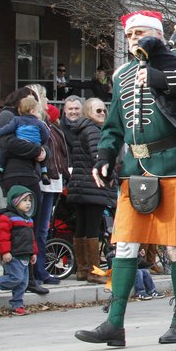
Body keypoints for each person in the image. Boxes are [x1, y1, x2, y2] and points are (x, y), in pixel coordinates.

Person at [75, 10, 176, 348]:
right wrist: (105, 157)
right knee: (124, 244)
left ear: (156, 35)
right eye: (130, 33)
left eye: (141, 32)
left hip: (174, 165)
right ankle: (114, 324)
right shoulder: (122, 74)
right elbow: (113, 125)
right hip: (135, 169)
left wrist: (163, 78)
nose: (134, 38)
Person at [0, 87, 49, 296]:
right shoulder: (9, 116)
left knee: (29, 227)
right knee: (19, 227)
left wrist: (44, 152)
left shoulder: (31, 120)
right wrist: (36, 150)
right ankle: (16, 276)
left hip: (30, 174)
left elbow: (45, 142)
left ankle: (27, 277)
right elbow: (6, 143)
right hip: (15, 175)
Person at [65, 98, 115, 284]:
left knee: (82, 227)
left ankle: (83, 269)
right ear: (88, 112)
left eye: (103, 110)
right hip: (93, 185)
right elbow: (99, 158)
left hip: (79, 185)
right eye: (98, 111)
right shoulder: (94, 131)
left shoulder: (80, 130)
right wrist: (110, 177)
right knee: (93, 228)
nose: (102, 113)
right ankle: (93, 270)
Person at [0, 186, 39, 316]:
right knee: (15, 278)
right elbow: (2, 236)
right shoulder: (6, 217)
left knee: (23, 283)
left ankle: (17, 305)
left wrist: (33, 252)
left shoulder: (28, 219)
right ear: (15, 202)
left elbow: (31, 238)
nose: (28, 203)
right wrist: (5, 252)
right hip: (13, 255)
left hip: (25, 254)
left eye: (29, 200)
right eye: (24, 200)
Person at [34, 104, 69, 287]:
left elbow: (60, 156)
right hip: (44, 182)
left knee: (44, 229)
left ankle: (40, 269)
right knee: (39, 229)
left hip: (55, 182)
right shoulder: (43, 128)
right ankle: (37, 270)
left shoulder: (55, 130)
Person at [0, 95, 51, 184]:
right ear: (32, 111)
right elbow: (45, 134)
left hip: (22, 141)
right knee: (41, 158)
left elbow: (8, 128)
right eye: (38, 112)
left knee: (4, 153)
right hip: (35, 144)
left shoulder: (17, 120)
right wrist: (42, 144)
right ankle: (44, 173)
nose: (39, 114)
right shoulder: (39, 123)